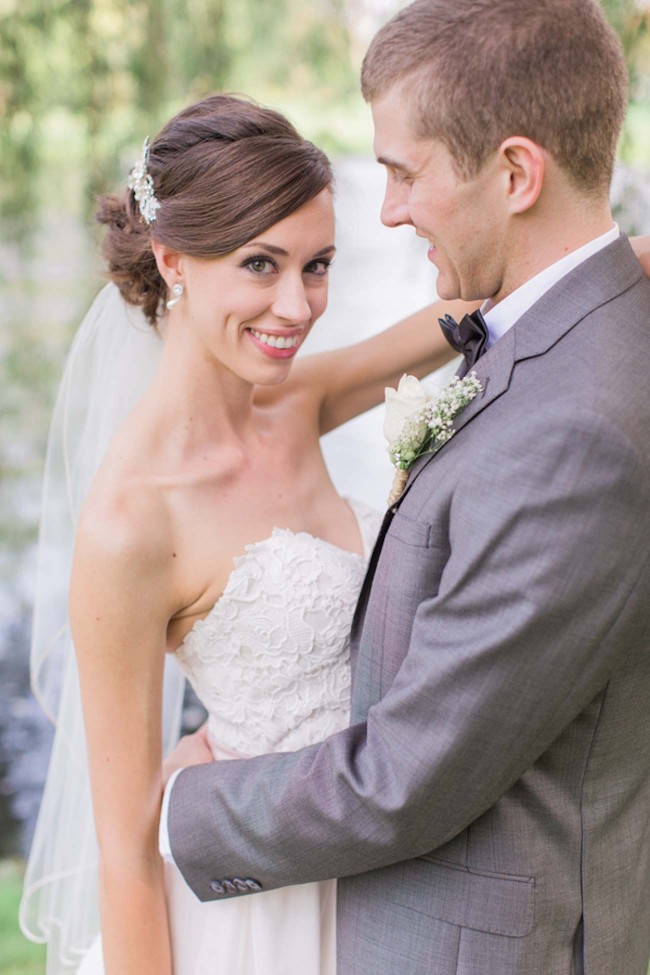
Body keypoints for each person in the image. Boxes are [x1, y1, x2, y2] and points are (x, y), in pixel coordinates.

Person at [160, 3, 650, 974]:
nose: (386, 209)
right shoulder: (551, 334)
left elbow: (404, 778)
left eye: (402, 171)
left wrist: (177, 809)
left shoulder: (577, 430)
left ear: (514, 173)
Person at [20, 92, 479, 975]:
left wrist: (613, 267)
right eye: (260, 264)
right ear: (173, 261)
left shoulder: (295, 402)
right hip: (253, 917)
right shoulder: (129, 524)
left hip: (383, 865)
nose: (298, 306)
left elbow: (473, 314)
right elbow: (124, 850)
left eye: (318, 265)